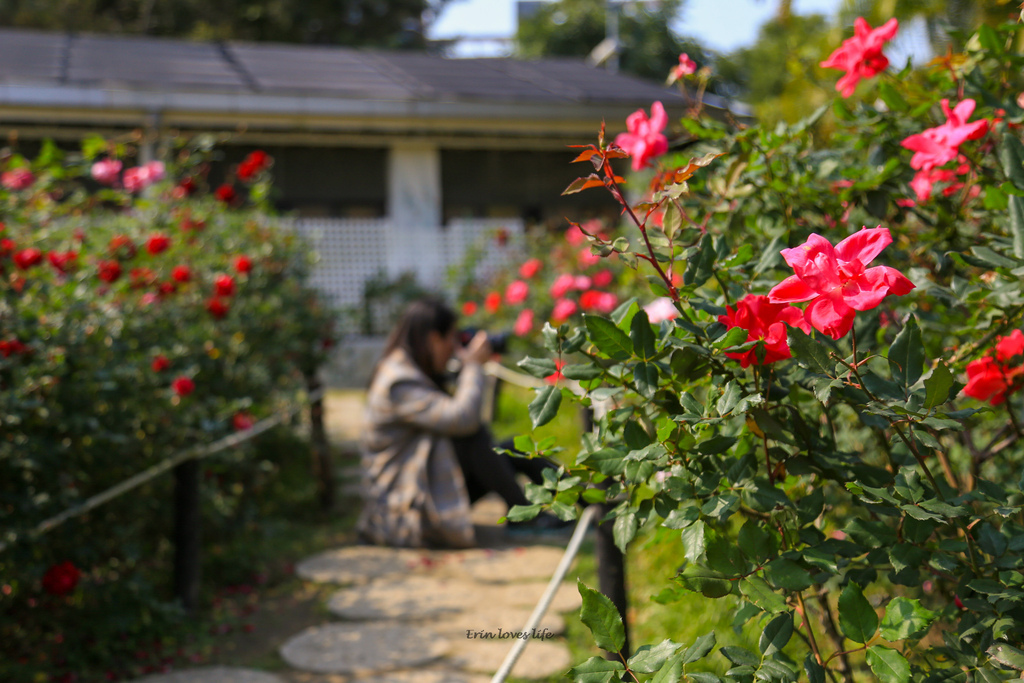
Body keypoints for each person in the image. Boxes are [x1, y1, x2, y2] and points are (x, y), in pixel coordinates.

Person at [356, 296, 563, 548]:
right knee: (472, 437)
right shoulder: (399, 381)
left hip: (421, 489)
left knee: (513, 449)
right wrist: (473, 366)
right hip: (399, 511)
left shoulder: (408, 368)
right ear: (433, 339)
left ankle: (586, 501)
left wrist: (462, 369)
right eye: (453, 339)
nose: (455, 348)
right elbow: (462, 419)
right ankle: (525, 517)